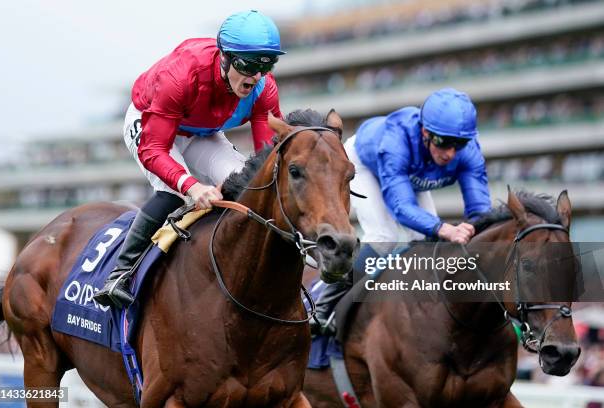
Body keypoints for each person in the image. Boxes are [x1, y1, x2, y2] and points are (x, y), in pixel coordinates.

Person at [94, 10, 285, 308]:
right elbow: (153, 150)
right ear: (225, 57)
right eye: (249, 65)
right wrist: (192, 186)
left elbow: (266, 156)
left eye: (267, 64)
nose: (257, 76)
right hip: (152, 124)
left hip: (201, 131)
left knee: (247, 186)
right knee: (174, 192)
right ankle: (120, 273)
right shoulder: (181, 75)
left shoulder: (264, 88)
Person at [312, 87, 492, 333]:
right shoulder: (396, 140)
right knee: (385, 239)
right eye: (443, 142)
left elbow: (480, 209)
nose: (450, 153)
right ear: (425, 132)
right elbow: (400, 207)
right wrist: (445, 228)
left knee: (424, 242)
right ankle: (323, 303)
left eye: (458, 144)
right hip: (365, 162)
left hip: (411, 172)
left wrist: (475, 230)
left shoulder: (468, 152)